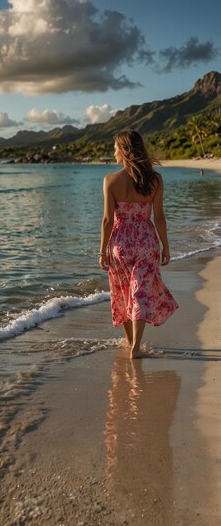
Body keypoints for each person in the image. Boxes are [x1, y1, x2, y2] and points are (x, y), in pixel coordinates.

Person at [99, 130, 178, 359]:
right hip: (146, 242)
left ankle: (130, 340)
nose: (113, 152)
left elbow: (107, 220)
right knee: (140, 293)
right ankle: (136, 345)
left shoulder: (110, 180)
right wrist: (166, 246)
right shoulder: (155, 180)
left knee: (123, 293)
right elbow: (159, 217)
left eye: (115, 148)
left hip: (120, 244)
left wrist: (102, 250)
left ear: (124, 150)